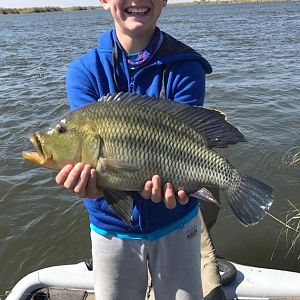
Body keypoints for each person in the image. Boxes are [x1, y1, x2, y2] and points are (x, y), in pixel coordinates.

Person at [56, 0, 226, 299]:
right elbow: (91, 158)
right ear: (105, 1)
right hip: (111, 228)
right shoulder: (84, 72)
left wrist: (187, 183)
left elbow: (188, 135)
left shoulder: (186, 66)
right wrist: (93, 187)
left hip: (177, 221)